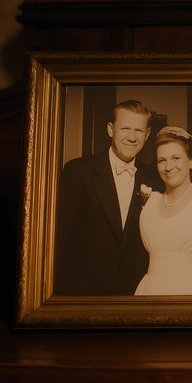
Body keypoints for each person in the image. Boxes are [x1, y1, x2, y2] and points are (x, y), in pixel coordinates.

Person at [54, 99, 162, 295]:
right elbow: (60, 238)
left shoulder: (155, 177)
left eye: (138, 130)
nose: (132, 137)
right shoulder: (78, 171)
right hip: (83, 292)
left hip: (137, 291)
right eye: (125, 129)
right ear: (111, 130)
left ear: (147, 135)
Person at [135, 126, 192, 295]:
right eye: (162, 160)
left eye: (176, 158)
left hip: (190, 295)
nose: (168, 167)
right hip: (149, 292)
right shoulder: (150, 202)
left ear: (191, 160)